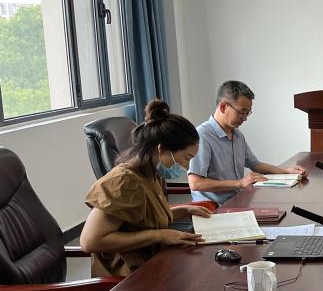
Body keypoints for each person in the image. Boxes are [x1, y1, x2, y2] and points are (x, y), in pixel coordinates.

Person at [81, 99, 212, 276]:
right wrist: (159, 235)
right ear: (161, 149)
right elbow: (90, 241)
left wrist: (184, 211)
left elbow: (142, 220)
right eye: (186, 157)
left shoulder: (151, 174)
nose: (186, 165)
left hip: (152, 263)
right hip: (127, 279)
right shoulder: (124, 182)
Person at [188, 80, 307, 206]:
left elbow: (255, 164)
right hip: (213, 208)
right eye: (241, 112)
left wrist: (287, 171)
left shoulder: (237, 135)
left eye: (247, 113)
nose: (244, 118)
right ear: (223, 107)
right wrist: (239, 183)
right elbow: (195, 183)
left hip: (237, 202)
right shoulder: (202, 136)